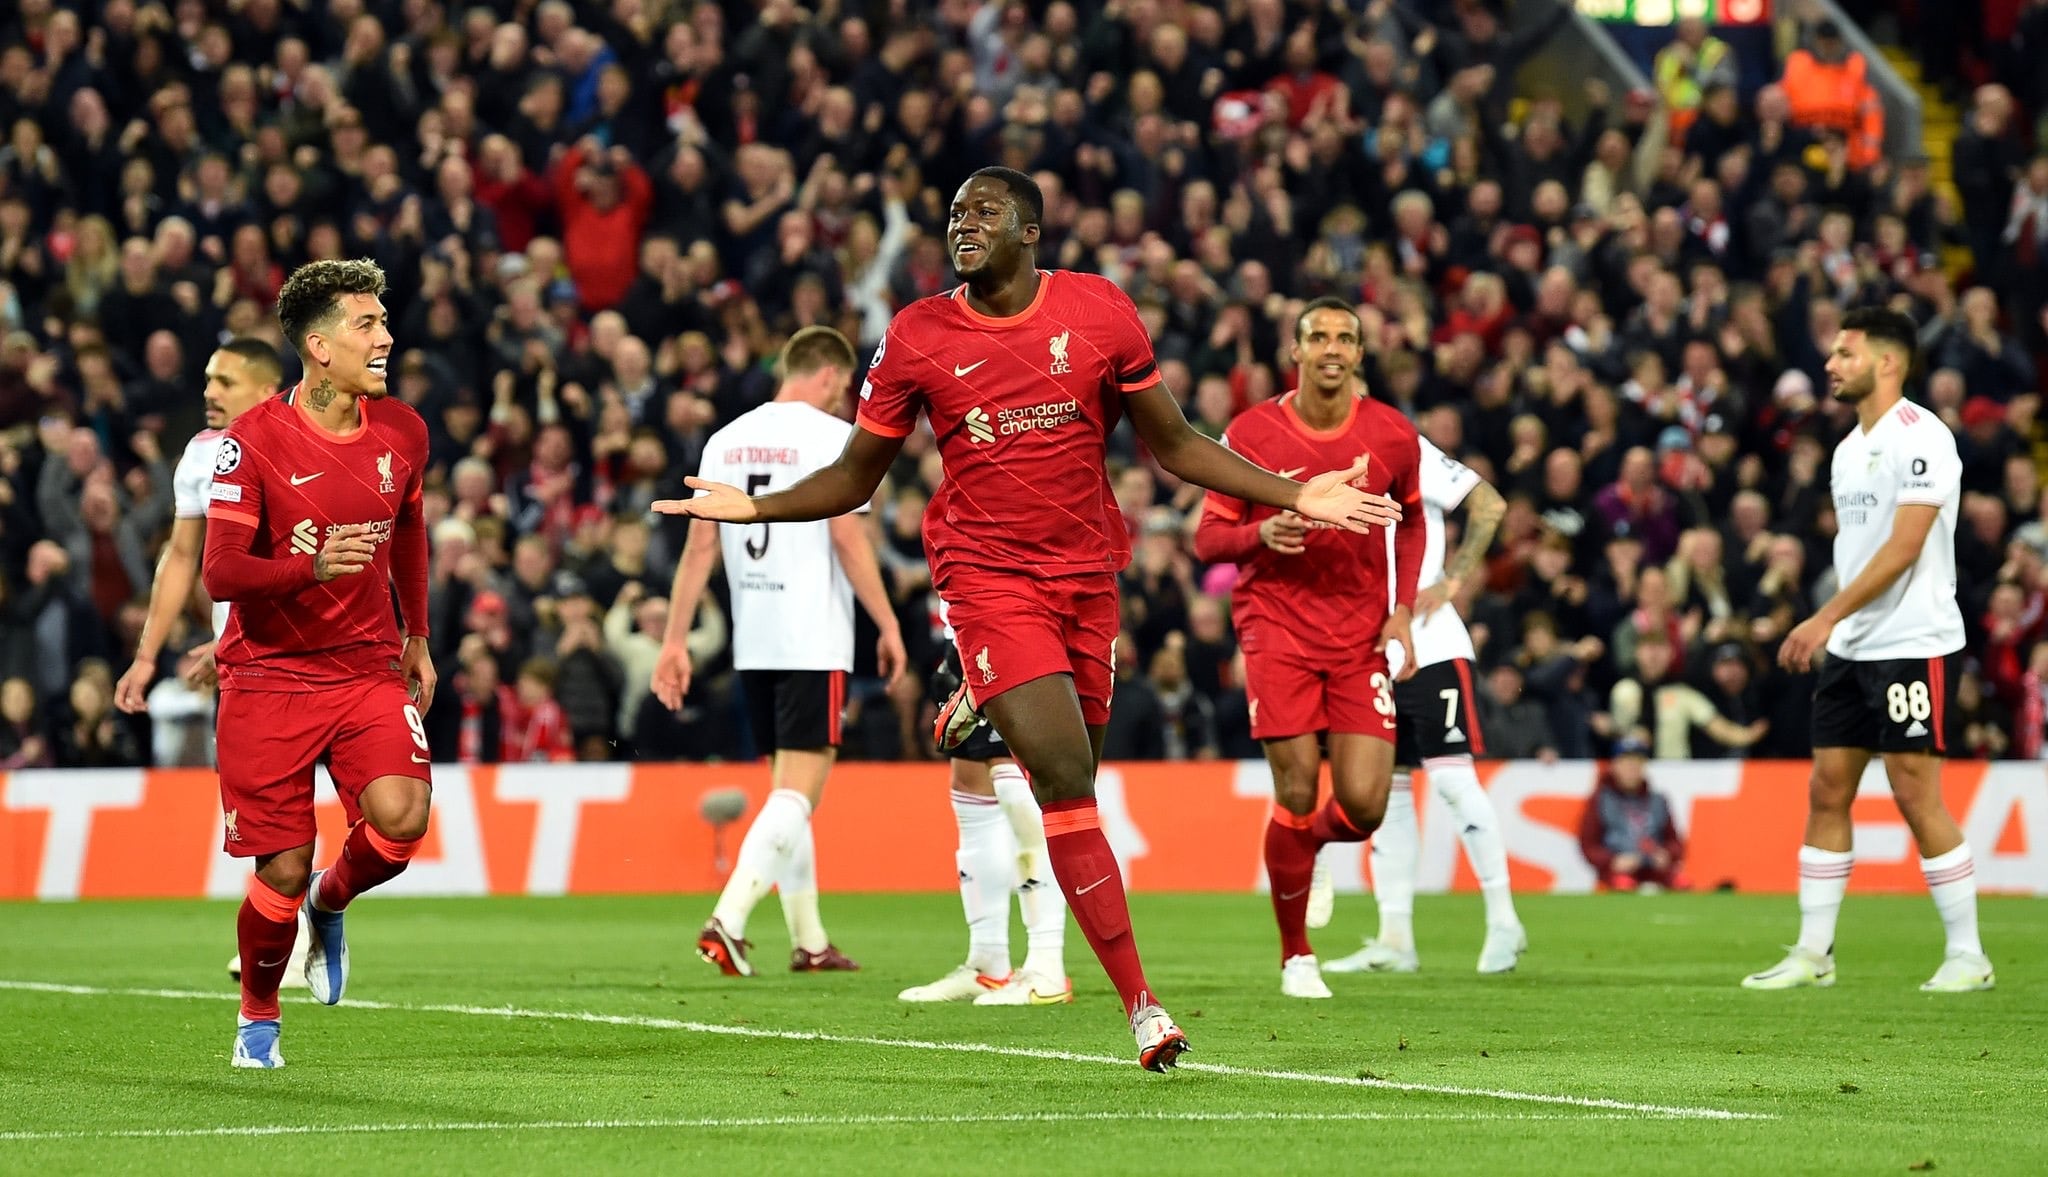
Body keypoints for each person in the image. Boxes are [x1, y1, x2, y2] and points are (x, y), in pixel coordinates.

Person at [655, 167, 1400, 1071]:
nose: (962, 223)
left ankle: (981, 699)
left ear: (1032, 231)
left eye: (985, 212)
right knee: (1061, 779)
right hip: (985, 576)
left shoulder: (1099, 313)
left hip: (1087, 579)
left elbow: (1172, 443)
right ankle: (1144, 1008)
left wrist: (1296, 494)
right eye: (956, 212)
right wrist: (756, 508)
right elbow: (858, 476)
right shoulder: (918, 335)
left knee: (1072, 769)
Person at [201, 259, 437, 1067]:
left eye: (383, 321)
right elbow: (221, 572)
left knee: (403, 818)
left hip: (367, 663)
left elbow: (408, 527)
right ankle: (258, 1016)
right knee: (281, 863)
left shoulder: (404, 430)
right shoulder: (251, 444)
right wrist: (312, 567)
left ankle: (330, 901)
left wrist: (418, 636)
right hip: (268, 675)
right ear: (318, 345)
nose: (386, 337)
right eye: (366, 325)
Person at [1744, 307, 1994, 993]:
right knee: (1827, 788)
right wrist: (1837, 626)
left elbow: (1906, 548)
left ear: (1888, 361)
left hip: (1913, 642)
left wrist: (1821, 616)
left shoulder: (1924, 438)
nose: (1830, 364)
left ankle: (1968, 954)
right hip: (1854, 646)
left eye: (1845, 353)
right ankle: (1813, 951)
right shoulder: (1848, 449)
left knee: (1916, 793)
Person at [652, 326, 907, 978]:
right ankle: (729, 919)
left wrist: (674, 639)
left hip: (756, 637)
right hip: (812, 632)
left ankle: (809, 938)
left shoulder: (727, 438)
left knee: (784, 791)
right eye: (845, 387)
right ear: (827, 375)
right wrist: (888, 622)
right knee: (800, 791)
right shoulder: (831, 438)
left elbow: (700, 548)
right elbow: (848, 539)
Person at [1191, 298, 1423, 999]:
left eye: (1344, 337)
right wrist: (1259, 535)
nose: (1331, 347)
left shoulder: (1392, 434)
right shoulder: (1253, 430)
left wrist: (1403, 609)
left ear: (1359, 354)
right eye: (1317, 336)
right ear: (1294, 352)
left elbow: (1411, 522)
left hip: (1359, 633)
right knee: (1295, 786)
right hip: (1277, 626)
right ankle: (1297, 956)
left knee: (1365, 805)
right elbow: (1208, 539)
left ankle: (1307, 845)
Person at [110, 339, 301, 987]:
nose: (210, 390)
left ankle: (318, 910)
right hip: (245, 660)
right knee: (265, 798)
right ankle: (290, 925)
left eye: (225, 379)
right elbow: (181, 558)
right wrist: (146, 655)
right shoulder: (196, 455)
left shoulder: (306, 445)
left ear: (267, 389)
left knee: (367, 799)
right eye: (207, 378)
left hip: (315, 648)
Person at [1323, 434, 1528, 976]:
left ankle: (1505, 921)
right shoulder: (1312, 455)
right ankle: (1395, 939)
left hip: (1433, 644)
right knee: (1385, 793)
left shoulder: (1401, 444)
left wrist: (1454, 580)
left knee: (1454, 783)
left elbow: (1489, 503)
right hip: (1369, 651)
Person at [898, 602, 1071, 1006]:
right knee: (971, 783)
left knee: (1015, 786)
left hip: (1012, 618)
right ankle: (988, 963)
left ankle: (1047, 964)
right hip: (961, 628)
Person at [1577, 731, 1690, 891]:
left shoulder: (1658, 799)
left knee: (1681, 883)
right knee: (1623, 885)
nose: (1631, 768)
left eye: (1637, 762)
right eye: (1626, 762)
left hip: (1656, 868)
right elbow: (1588, 844)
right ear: (1614, 765)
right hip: (1617, 869)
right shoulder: (1601, 799)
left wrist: (1667, 854)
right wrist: (1612, 860)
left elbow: (1675, 841)